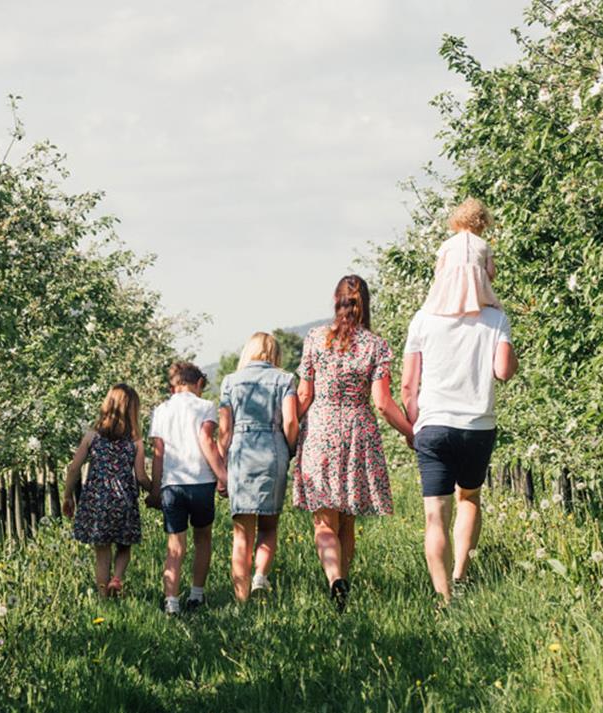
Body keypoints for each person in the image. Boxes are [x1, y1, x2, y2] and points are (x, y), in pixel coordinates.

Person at [401, 198, 518, 605]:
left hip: (433, 424)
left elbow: (408, 386)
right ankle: (461, 572)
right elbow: (503, 371)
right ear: (486, 271)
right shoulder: (494, 319)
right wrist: (501, 331)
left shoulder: (422, 320)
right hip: (477, 426)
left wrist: (414, 425)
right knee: (469, 497)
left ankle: (443, 595)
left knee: (435, 512)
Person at [294, 275, 412, 611]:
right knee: (347, 520)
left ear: (336, 302)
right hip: (358, 433)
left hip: (321, 430)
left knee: (323, 521)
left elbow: (305, 393)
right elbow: (383, 403)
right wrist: (410, 432)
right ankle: (342, 590)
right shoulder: (376, 345)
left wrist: (287, 426)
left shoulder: (316, 339)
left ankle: (335, 579)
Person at [218, 332, 300, 601]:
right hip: (272, 450)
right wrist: (288, 450)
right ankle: (260, 577)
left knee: (241, 533)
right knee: (268, 525)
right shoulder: (285, 379)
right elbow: (290, 422)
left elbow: (224, 430)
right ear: (274, 353)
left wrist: (222, 464)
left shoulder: (230, 381)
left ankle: (241, 599)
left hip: (241, 453)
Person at [148, 362, 227, 615]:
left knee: (175, 545)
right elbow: (206, 442)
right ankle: (196, 595)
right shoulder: (205, 406)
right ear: (199, 384)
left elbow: (158, 453)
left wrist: (155, 489)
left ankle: (171, 602)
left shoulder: (161, 410)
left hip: (172, 484)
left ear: (173, 386)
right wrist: (222, 476)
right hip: (201, 483)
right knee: (203, 538)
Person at [62, 384, 150, 598]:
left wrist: (67, 495)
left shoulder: (92, 436)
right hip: (124, 500)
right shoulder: (135, 441)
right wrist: (155, 491)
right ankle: (117, 577)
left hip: (96, 499)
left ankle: (104, 599)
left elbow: (74, 467)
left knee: (102, 553)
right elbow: (140, 476)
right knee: (124, 545)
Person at [421, 197, 501, 316]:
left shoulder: (447, 244)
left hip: (450, 293)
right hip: (477, 294)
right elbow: (491, 273)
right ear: (482, 223)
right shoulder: (483, 245)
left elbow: (439, 272)